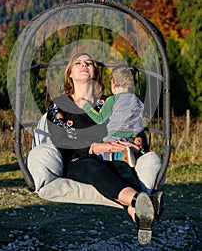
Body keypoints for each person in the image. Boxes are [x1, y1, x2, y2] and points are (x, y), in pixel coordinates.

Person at [46, 52, 157, 245]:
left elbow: (132, 127)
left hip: (113, 155)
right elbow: (60, 139)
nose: (84, 65)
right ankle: (139, 201)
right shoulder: (60, 105)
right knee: (94, 168)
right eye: (78, 63)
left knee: (124, 169)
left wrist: (135, 142)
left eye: (88, 63)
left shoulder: (110, 102)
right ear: (70, 73)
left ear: (95, 72)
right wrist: (94, 147)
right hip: (80, 158)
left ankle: (138, 215)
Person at [76, 65, 149, 165]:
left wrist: (86, 106)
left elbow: (100, 119)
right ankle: (130, 154)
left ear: (113, 84)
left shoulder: (113, 100)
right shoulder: (139, 102)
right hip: (131, 138)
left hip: (113, 136)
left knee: (103, 155)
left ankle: (120, 157)